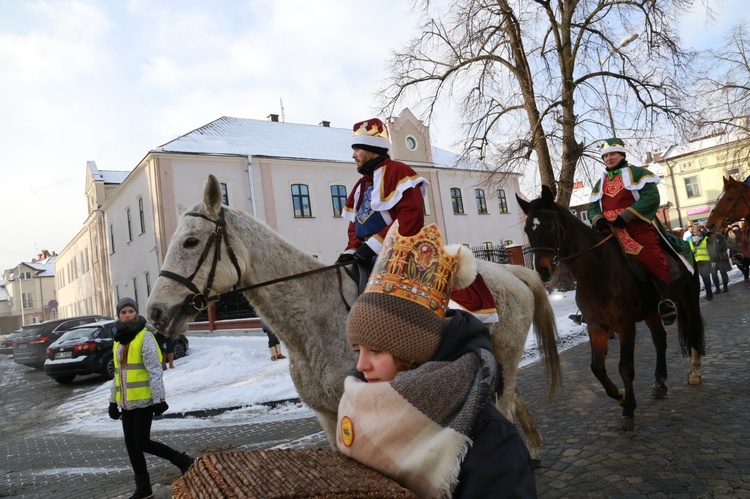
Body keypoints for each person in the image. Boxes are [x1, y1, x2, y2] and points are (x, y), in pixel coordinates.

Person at [336, 222, 537, 498]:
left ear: (412, 352)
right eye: (357, 350)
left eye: (376, 350)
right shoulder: (360, 403)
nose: (360, 366)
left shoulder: (491, 441)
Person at [587, 137, 688, 325]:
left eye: (613, 154)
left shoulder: (639, 173)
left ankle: (665, 301)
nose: (609, 158)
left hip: (636, 227)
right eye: (606, 155)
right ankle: (592, 306)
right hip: (608, 230)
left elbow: (650, 197)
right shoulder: (599, 182)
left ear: (622, 154)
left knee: (651, 256)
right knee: (592, 260)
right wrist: (598, 219)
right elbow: (593, 206)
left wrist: (626, 216)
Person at [109, 297, 195, 499]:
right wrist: (113, 401)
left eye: (131, 311)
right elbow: (117, 374)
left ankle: (183, 461)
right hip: (126, 403)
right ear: (119, 315)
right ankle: (143, 488)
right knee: (132, 447)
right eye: (124, 312)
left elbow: (154, 370)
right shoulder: (118, 339)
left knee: (142, 442)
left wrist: (159, 399)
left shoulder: (144, 336)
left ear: (136, 313)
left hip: (145, 400)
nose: (127, 315)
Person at [336, 117, 429, 284]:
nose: (353, 155)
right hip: (368, 257)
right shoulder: (363, 183)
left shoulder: (400, 172)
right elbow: (356, 223)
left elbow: (411, 217)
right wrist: (352, 249)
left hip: (400, 255)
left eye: (357, 149)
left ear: (372, 148)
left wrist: (375, 245)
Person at [687, 225, 714, 300]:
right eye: (694, 232)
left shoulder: (706, 239)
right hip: (696, 262)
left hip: (705, 261)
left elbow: (711, 250)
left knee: (706, 278)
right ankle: (704, 294)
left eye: (697, 232)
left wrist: (713, 260)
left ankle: (709, 294)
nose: (696, 233)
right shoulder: (689, 240)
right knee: (699, 278)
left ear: (700, 231)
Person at [707, 229, 730, 294]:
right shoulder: (706, 238)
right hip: (712, 259)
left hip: (721, 257)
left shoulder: (721, 237)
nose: (712, 234)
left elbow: (724, 246)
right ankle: (717, 288)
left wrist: (715, 248)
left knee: (723, 272)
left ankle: (725, 287)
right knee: (714, 274)